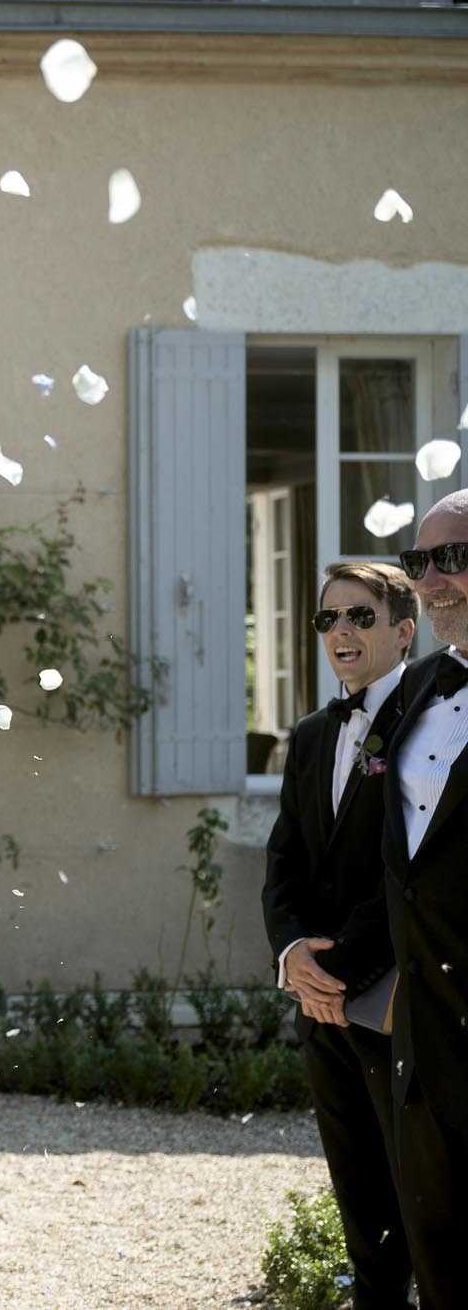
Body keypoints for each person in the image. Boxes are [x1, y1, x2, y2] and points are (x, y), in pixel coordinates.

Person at [260, 561, 418, 1309]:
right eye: (329, 620)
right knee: (357, 1190)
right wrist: (293, 955)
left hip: (394, 993)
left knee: (421, 1190)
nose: (342, 632)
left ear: (404, 630)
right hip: (319, 998)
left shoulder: (430, 720)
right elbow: (285, 856)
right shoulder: (314, 733)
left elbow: (409, 869)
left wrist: (341, 971)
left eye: (360, 616)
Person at [382, 493, 468, 1310]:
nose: (435, 580)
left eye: (456, 558)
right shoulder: (417, 690)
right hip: (426, 1032)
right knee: (439, 1249)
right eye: (420, 563)